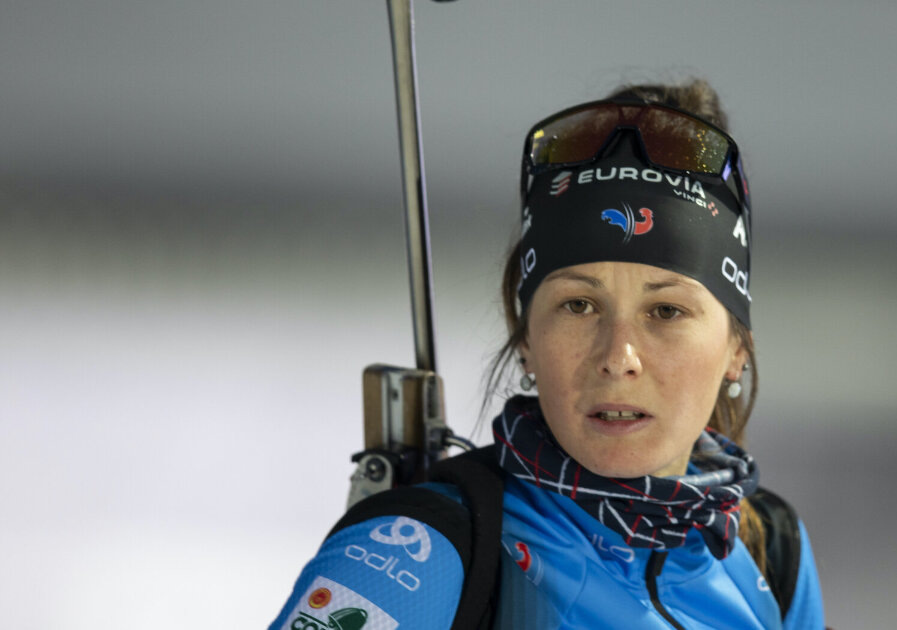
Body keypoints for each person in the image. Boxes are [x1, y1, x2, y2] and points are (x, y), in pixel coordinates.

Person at [270, 79, 825, 629]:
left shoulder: (771, 550)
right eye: (579, 305)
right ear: (526, 342)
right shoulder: (418, 551)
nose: (619, 357)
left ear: (736, 350)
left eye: (666, 311)